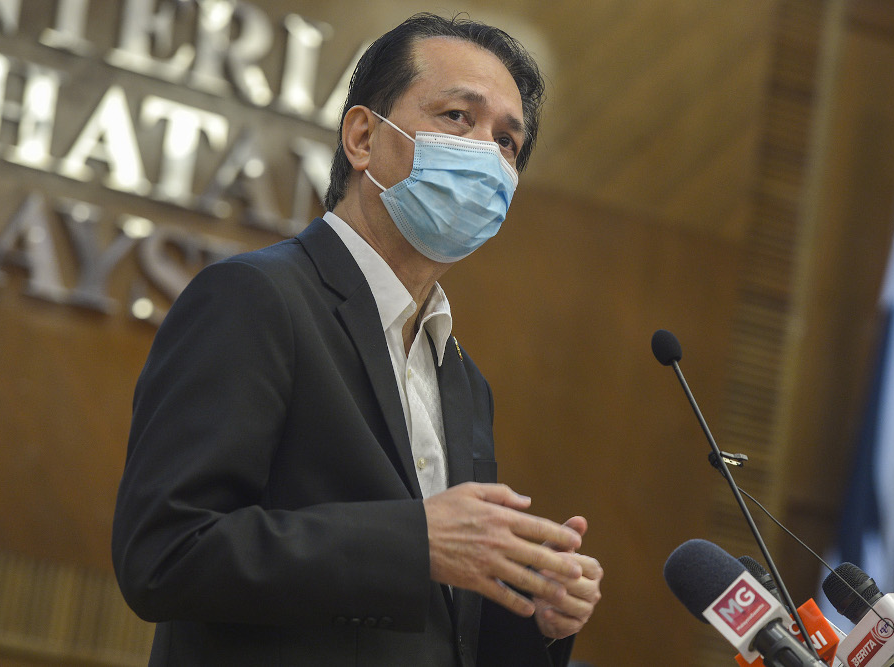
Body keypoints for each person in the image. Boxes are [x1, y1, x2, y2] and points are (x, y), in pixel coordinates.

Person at [112, 12, 602, 667]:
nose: (487, 152)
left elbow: (434, 628)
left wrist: (533, 616)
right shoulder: (255, 297)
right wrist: (414, 541)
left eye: (508, 142)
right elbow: (166, 553)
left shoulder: (463, 377)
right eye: (459, 116)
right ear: (364, 137)